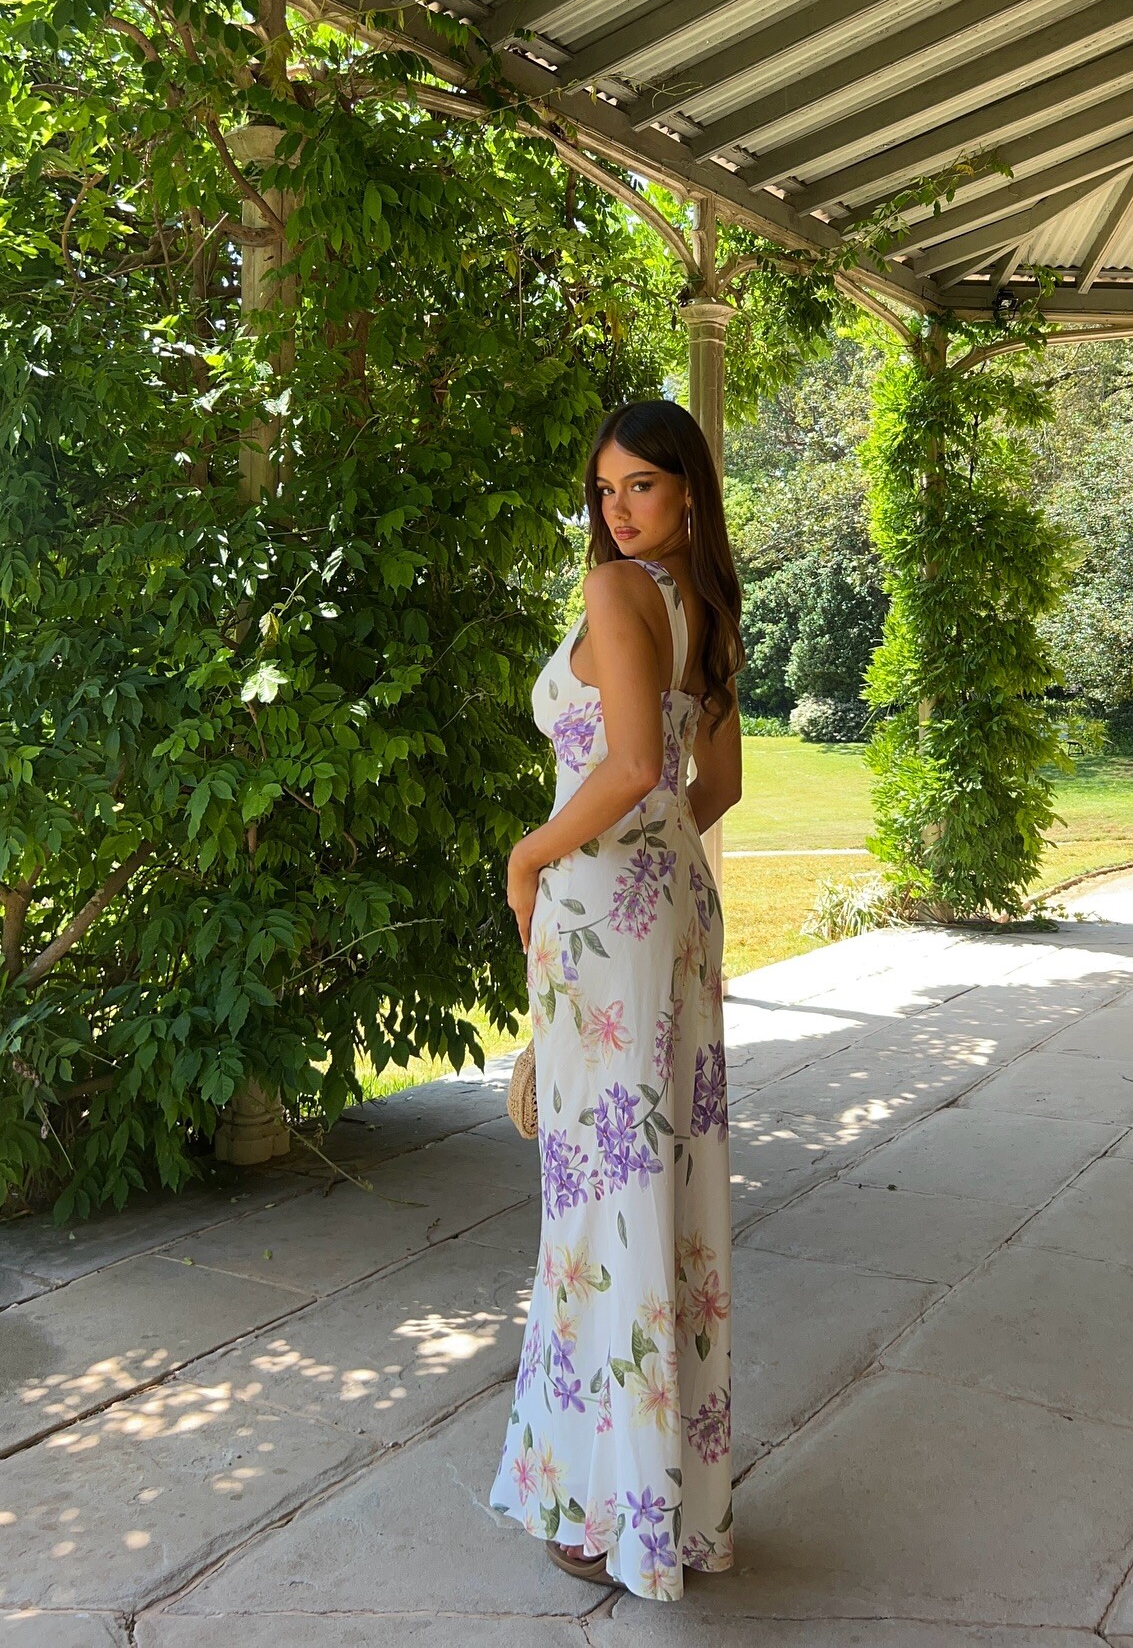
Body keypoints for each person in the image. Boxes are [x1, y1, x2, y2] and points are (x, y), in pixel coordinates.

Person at [488, 398, 744, 1601]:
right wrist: (651, 862)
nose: (617, 508)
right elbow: (710, 787)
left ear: (688, 487)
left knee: (601, 1206)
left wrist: (531, 857)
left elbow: (634, 764)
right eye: (604, 489)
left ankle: (607, 1515)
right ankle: (666, 1509)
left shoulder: (618, 592)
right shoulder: (708, 603)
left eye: (641, 484)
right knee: (661, 1193)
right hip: (671, 906)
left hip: (602, 911)